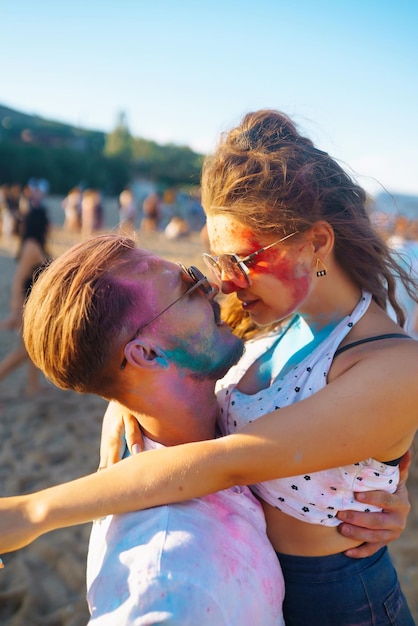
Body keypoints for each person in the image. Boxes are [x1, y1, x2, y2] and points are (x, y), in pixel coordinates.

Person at [0, 108, 416, 622]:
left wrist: (29, 512)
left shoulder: (394, 365)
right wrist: (119, 401)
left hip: (344, 605)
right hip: (263, 580)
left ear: (316, 244)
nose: (223, 283)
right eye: (216, 262)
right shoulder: (270, 319)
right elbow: (151, 359)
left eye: (240, 262)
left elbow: (229, 461)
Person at [2, 234, 286, 625]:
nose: (214, 287)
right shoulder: (168, 577)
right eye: (188, 286)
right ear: (147, 354)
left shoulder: (240, 399)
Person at [0, 206, 50, 395]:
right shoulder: (32, 246)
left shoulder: (35, 244)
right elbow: (18, 280)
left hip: (33, 307)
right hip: (26, 307)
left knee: (32, 349)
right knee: (25, 352)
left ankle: (33, 386)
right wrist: (17, 310)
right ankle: (32, 386)